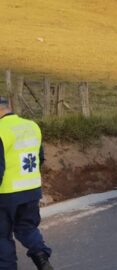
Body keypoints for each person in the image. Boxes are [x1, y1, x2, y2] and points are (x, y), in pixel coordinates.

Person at [0, 97, 53, 270]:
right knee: (27, 228)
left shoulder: (1, 130)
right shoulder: (32, 126)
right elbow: (40, 158)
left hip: (6, 194)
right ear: (9, 107)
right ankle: (42, 261)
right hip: (31, 190)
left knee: (2, 237)